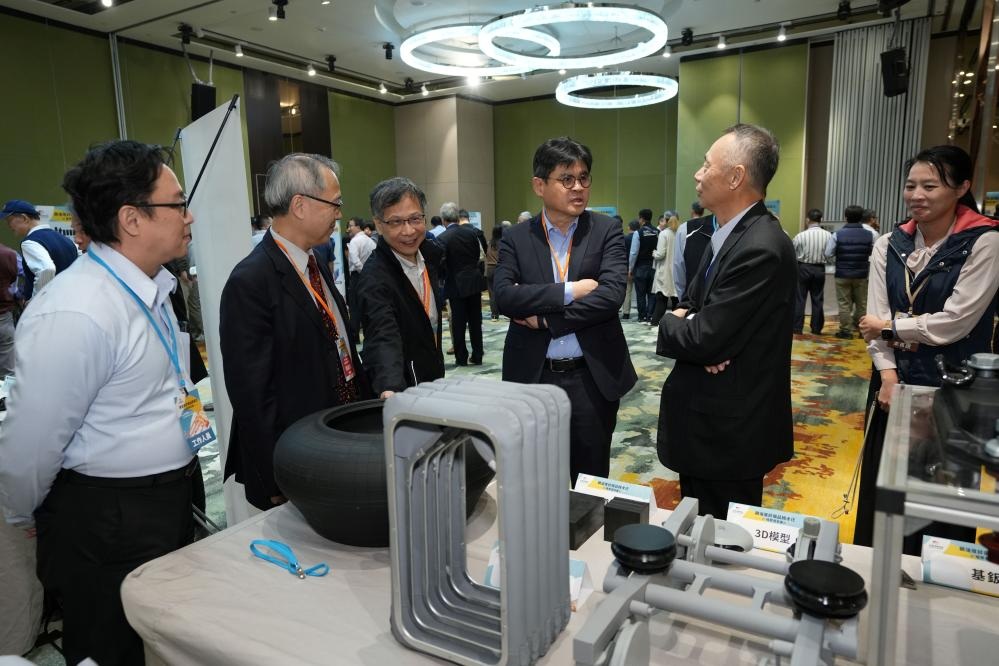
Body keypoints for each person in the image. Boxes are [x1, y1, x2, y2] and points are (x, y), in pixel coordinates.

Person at [0, 140, 203, 665]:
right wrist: (22, 512)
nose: (189, 216)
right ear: (132, 219)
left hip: (166, 501)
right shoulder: (76, 309)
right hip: (108, 522)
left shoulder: (150, 286)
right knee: (111, 647)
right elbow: (31, 442)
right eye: (178, 204)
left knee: (167, 642)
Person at [854, 145, 999, 547]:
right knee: (887, 487)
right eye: (910, 186)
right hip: (891, 382)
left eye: (930, 186)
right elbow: (872, 319)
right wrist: (887, 373)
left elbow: (955, 322)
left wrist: (891, 327)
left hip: (952, 386)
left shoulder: (984, 242)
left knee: (941, 493)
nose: (916, 195)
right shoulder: (889, 243)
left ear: (962, 188)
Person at [656, 124, 796, 519]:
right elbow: (694, 305)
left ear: (736, 177)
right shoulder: (727, 233)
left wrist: (672, 322)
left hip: (729, 431)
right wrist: (698, 328)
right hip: (709, 420)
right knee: (698, 526)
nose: (698, 175)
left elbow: (703, 337)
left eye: (706, 165)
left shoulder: (760, 246)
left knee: (722, 538)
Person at [220, 153, 369, 510]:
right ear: (300, 205)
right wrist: (279, 474)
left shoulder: (313, 264)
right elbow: (252, 393)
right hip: (298, 458)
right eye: (334, 203)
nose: (339, 214)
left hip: (339, 439)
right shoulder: (251, 281)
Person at [494, 136, 637, 483]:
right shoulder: (516, 237)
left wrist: (546, 319)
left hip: (592, 375)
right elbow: (504, 297)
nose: (578, 188)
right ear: (539, 185)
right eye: (567, 179)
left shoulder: (605, 229)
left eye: (584, 178)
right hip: (534, 376)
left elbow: (610, 296)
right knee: (536, 475)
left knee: (590, 477)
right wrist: (569, 291)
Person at [356, 178, 445, 397]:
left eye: (415, 218)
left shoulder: (430, 255)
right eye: (396, 222)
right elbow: (382, 334)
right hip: (405, 387)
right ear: (378, 225)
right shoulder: (375, 277)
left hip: (432, 375)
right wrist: (390, 386)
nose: (409, 231)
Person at [438, 201, 487, 366]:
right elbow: (478, 255)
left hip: (455, 284)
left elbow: (441, 264)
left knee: (458, 323)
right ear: (457, 217)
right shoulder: (472, 233)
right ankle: (478, 355)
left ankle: (461, 357)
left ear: (444, 220)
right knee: (475, 321)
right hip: (474, 281)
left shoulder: (443, 238)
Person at [1, 199, 77, 300]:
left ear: (24, 218)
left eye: (9, 221)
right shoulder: (66, 240)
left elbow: (46, 269)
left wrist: (36, 302)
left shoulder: (30, 242)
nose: (9, 226)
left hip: (48, 305)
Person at [825, 204, 874, 339]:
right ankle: (862, 330)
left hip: (842, 274)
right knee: (862, 303)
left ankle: (846, 331)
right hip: (861, 274)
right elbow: (873, 252)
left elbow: (828, 253)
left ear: (845, 217)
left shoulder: (838, 234)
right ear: (861, 218)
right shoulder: (870, 234)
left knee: (844, 303)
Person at [791, 208, 832, 335]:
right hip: (820, 269)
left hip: (803, 268)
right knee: (817, 298)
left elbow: (792, 251)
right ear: (821, 220)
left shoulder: (800, 235)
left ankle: (797, 327)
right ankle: (816, 328)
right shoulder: (828, 235)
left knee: (800, 298)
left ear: (807, 220)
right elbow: (830, 253)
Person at [672, 201, 716, 301]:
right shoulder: (686, 230)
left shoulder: (686, 230)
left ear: (692, 211)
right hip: (694, 305)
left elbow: (679, 278)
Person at [629, 208, 659, 323]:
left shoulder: (638, 233)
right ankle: (650, 315)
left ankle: (642, 316)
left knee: (640, 293)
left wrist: (630, 268)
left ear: (641, 219)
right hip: (654, 266)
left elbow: (634, 253)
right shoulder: (658, 232)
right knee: (652, 293)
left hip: (640, 267)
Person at [649, 213, 679, 326]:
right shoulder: (681, 232)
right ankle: (676, 324)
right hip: (677, 271)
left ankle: (655, 323)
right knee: (676, 299)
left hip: (664, 271)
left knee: (661, 300)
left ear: (665, 220)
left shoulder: (664, 234)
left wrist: (654, 253)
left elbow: (660, 254)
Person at [620, 219, 639, 319]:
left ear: (628, 227)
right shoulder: (640, 237)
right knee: (641, 292)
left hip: (626, 267)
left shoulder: (625, 238)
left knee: (627, 290)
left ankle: (626, 312)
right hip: (639, 267)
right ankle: (643, 313)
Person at [485, 224, 503, 320]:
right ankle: (502, 310)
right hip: (499, 269)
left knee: (492, 292)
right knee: (500, 291)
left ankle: (494, 314)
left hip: (489, 269)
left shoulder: (489, 243)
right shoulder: (503, 243)